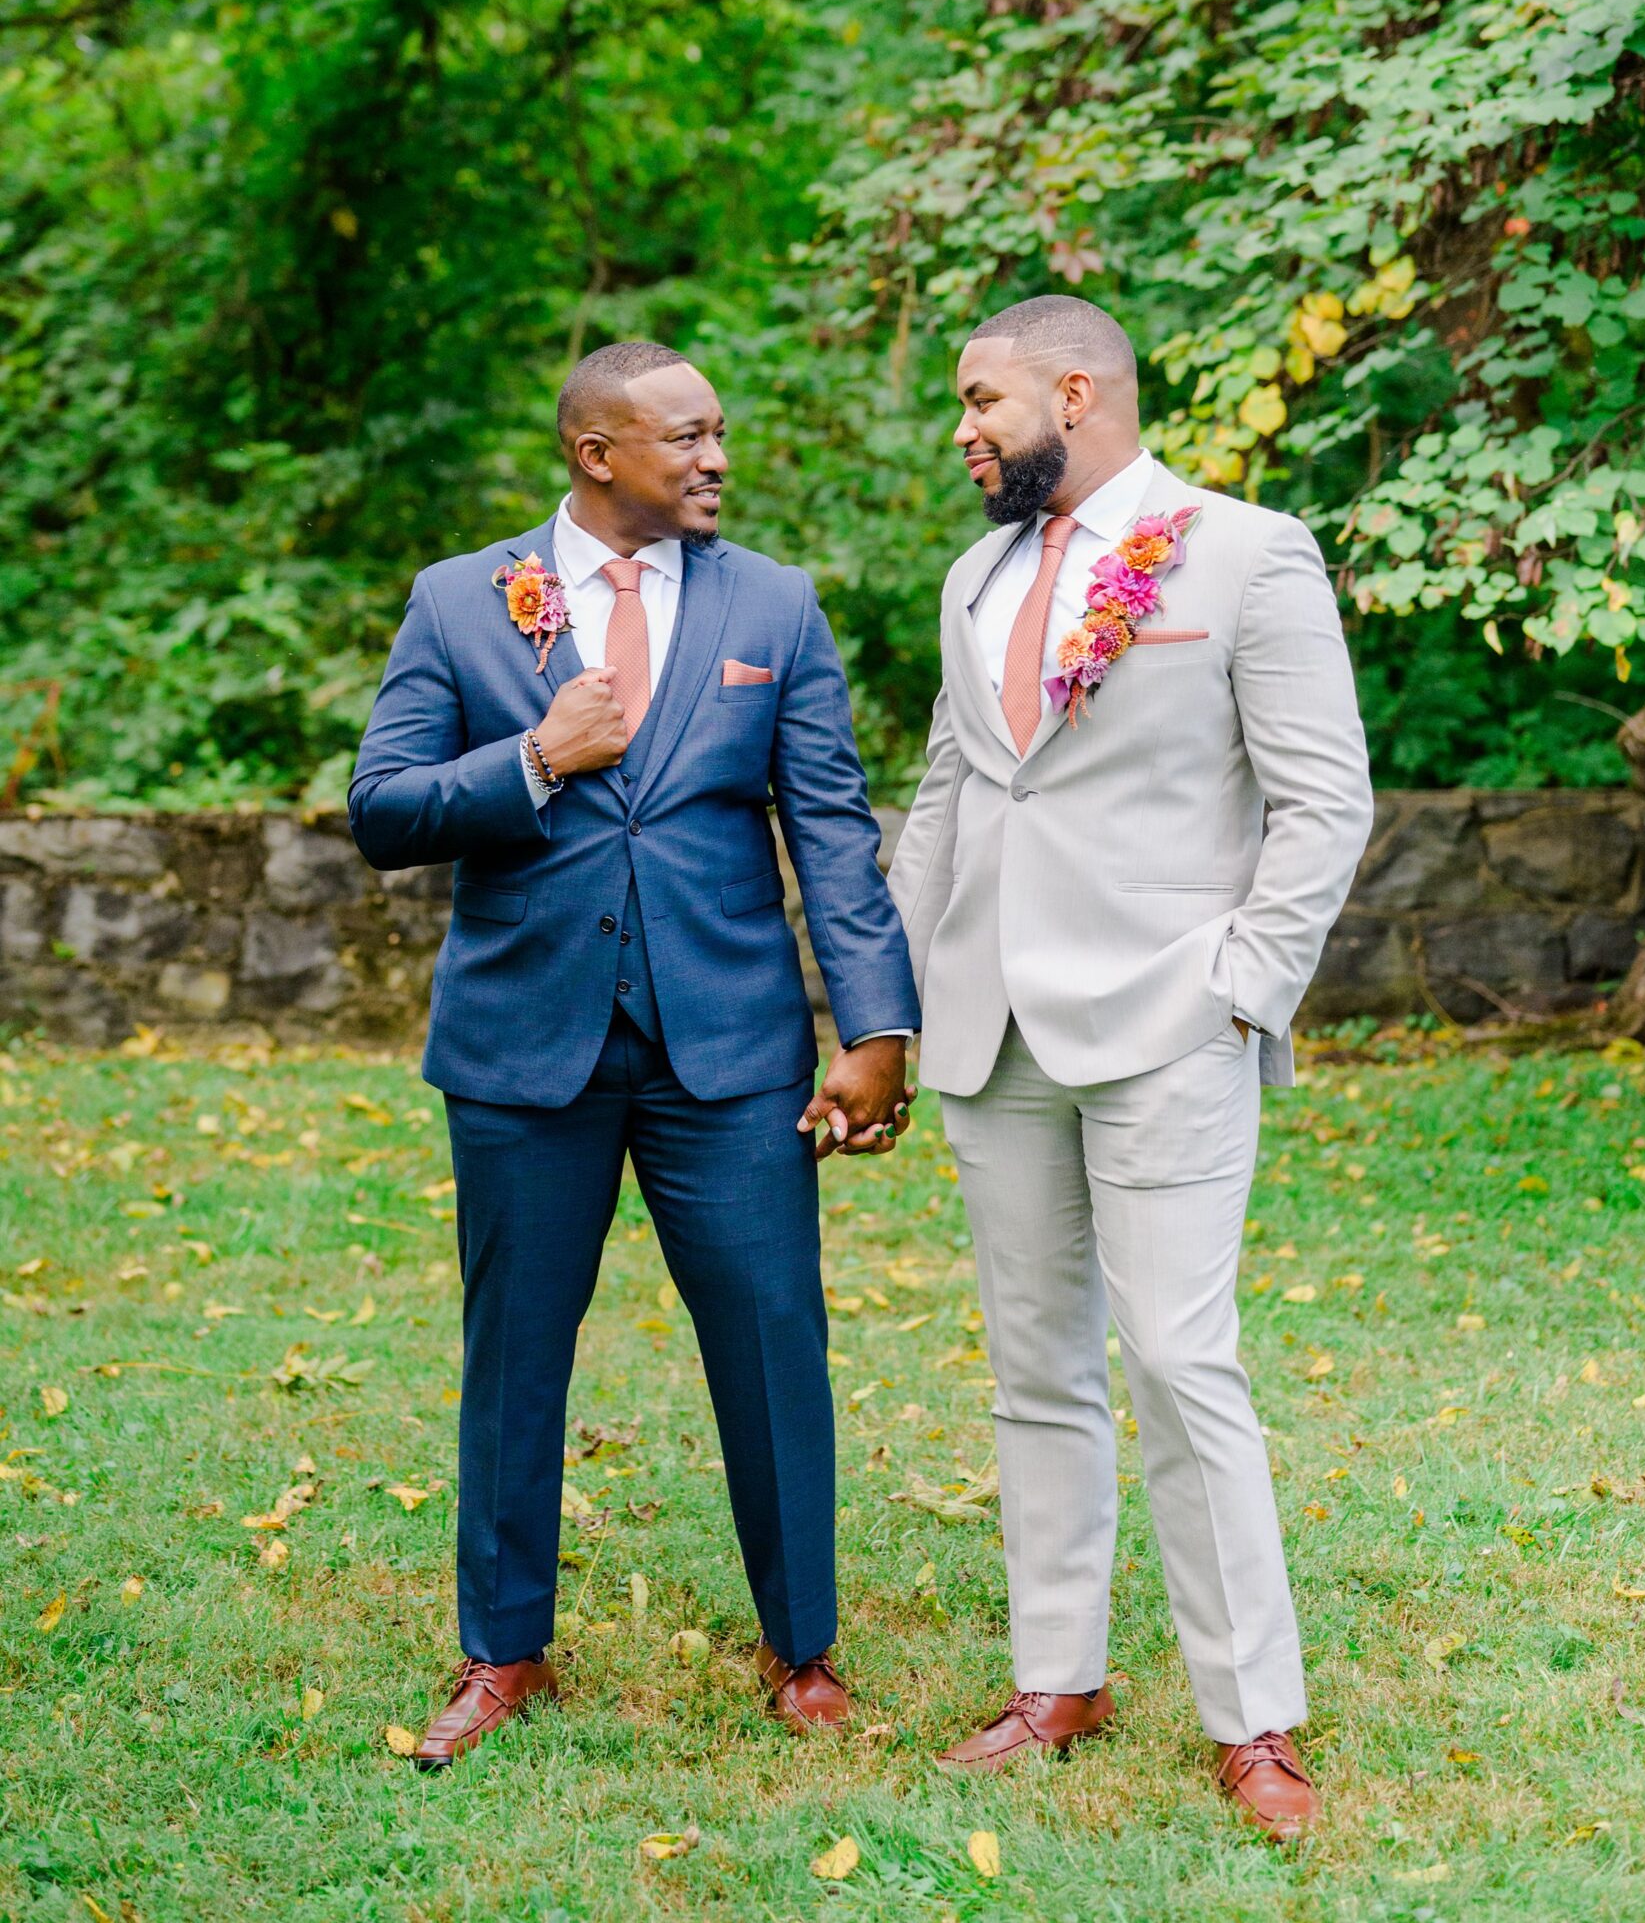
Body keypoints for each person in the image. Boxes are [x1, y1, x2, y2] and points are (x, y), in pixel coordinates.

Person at [348, 341, 918, 1767]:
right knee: (515, 1349)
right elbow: (382, 808)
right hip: (520, 1052)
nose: (716, 457)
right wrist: (535, 760)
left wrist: (877, 1026)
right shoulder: (460, 602)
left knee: (777, 1340)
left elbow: (832, 831)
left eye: (721, 432)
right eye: (686, 437)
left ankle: (802, 1650)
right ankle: (502, 1652)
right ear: (597, 454)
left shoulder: (774, 606)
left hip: (724, 1054)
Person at [885, 295, 1373, 1841]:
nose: (963, 430)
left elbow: (1324, 801)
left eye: (982, 402)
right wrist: (893, 1006)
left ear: (1074, 391)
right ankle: (1058, 1677)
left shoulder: (1241, 554)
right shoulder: (978, 577)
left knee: (1179, 1360)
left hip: (1171, 1019)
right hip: (993, 1030)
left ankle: (1254, 1716)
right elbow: (953, 797)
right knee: (1036, 1367)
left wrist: (1241, 989)